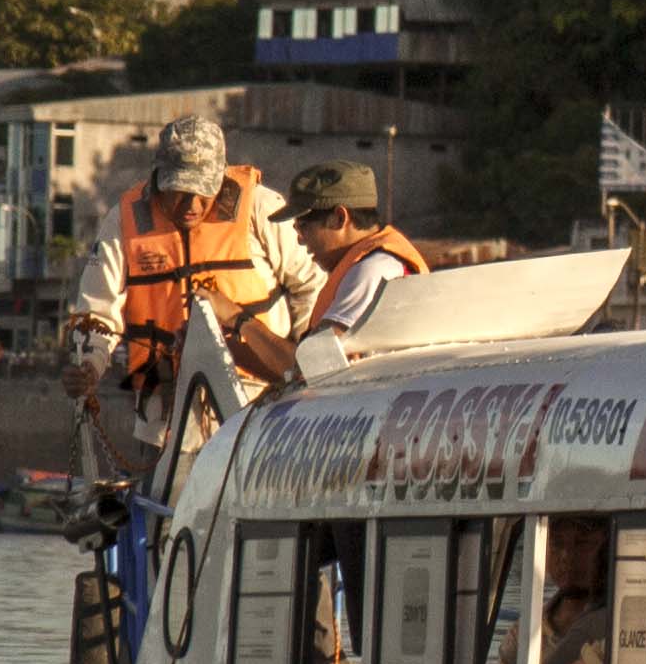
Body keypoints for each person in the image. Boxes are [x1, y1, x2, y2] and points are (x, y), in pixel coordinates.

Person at [60, 115, 317, 483]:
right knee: (167, 523)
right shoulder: (125, 220)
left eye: (204, 190)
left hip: (261, 406)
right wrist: (90, 364)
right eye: (180, 190)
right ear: (159, 178)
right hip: (165, 417)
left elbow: (310, 285)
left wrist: (306, 361)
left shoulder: (263, 208)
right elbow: (97, 311)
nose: (192, 204)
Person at [470, 513, 611, 664]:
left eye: (583, 544)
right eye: (556, 543)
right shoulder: (526, 629)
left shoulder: (613, 620)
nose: (566, 556)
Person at [285, 162, 428, 367]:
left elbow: (314, 361)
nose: (300, 239)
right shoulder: (384, 263)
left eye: (303, 226)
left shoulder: (372, 270)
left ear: (339, 218)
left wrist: (240, 321)